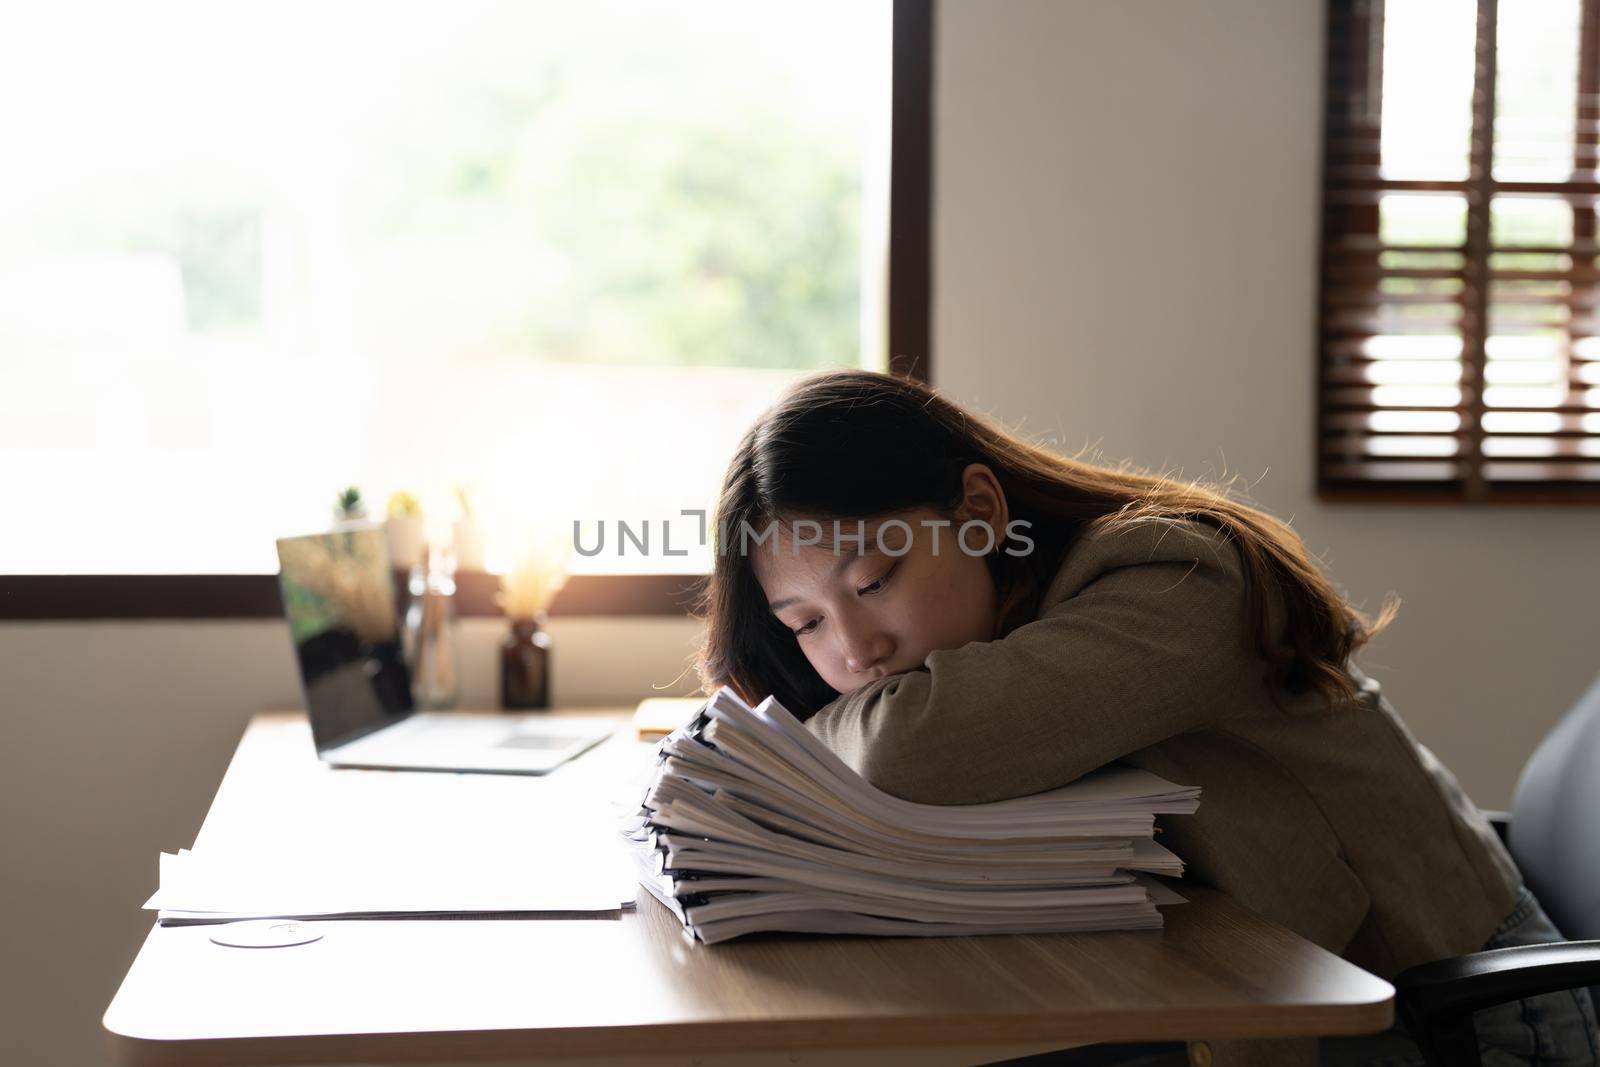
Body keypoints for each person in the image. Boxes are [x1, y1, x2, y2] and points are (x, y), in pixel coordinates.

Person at [692, 369, 1600, 1066]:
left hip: (1468, 1019)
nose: (854, 651)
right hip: (1292, 983)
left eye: (874, 582)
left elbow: (906, 743)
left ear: (977, 513)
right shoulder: (1003, 634)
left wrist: (793, 747)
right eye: (805, 623)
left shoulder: (1172, 579)